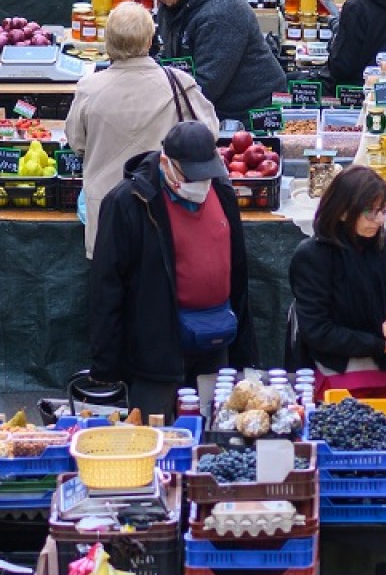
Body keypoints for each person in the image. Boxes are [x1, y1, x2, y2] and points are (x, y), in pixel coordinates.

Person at [86, 120, 258, 420]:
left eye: (206, 175)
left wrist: (245, 353)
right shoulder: (128, 202)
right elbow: (106, 287)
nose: (200, 184)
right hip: (157, 352)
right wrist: (106, 364)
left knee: (212, 431)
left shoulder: (222, 191)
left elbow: (239, 272)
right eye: (192, 176)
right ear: (167, 163)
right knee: (158, 438)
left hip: (215, 341)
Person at [66, 2, 218, 258]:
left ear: (108, 42)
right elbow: (208, 135)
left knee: (113, 286)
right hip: (165, 206)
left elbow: (76, 142)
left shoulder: (88, 89)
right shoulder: (179, 84)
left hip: (107, 211)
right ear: (150, 40)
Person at [130, 0, 287, 123]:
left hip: (249, 112)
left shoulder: (221, 14)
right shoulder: (173, 3)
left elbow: (207, 84)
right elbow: (171, 58)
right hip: (211, 103)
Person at [286, 165, 386, 383]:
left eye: (383, 209)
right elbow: (317, 331)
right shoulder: (313, 256)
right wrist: (378, 345)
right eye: (370, 212)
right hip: (336, 373)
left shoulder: (378, 244)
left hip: (383, 370)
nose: (380, 220)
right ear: (343, 212)